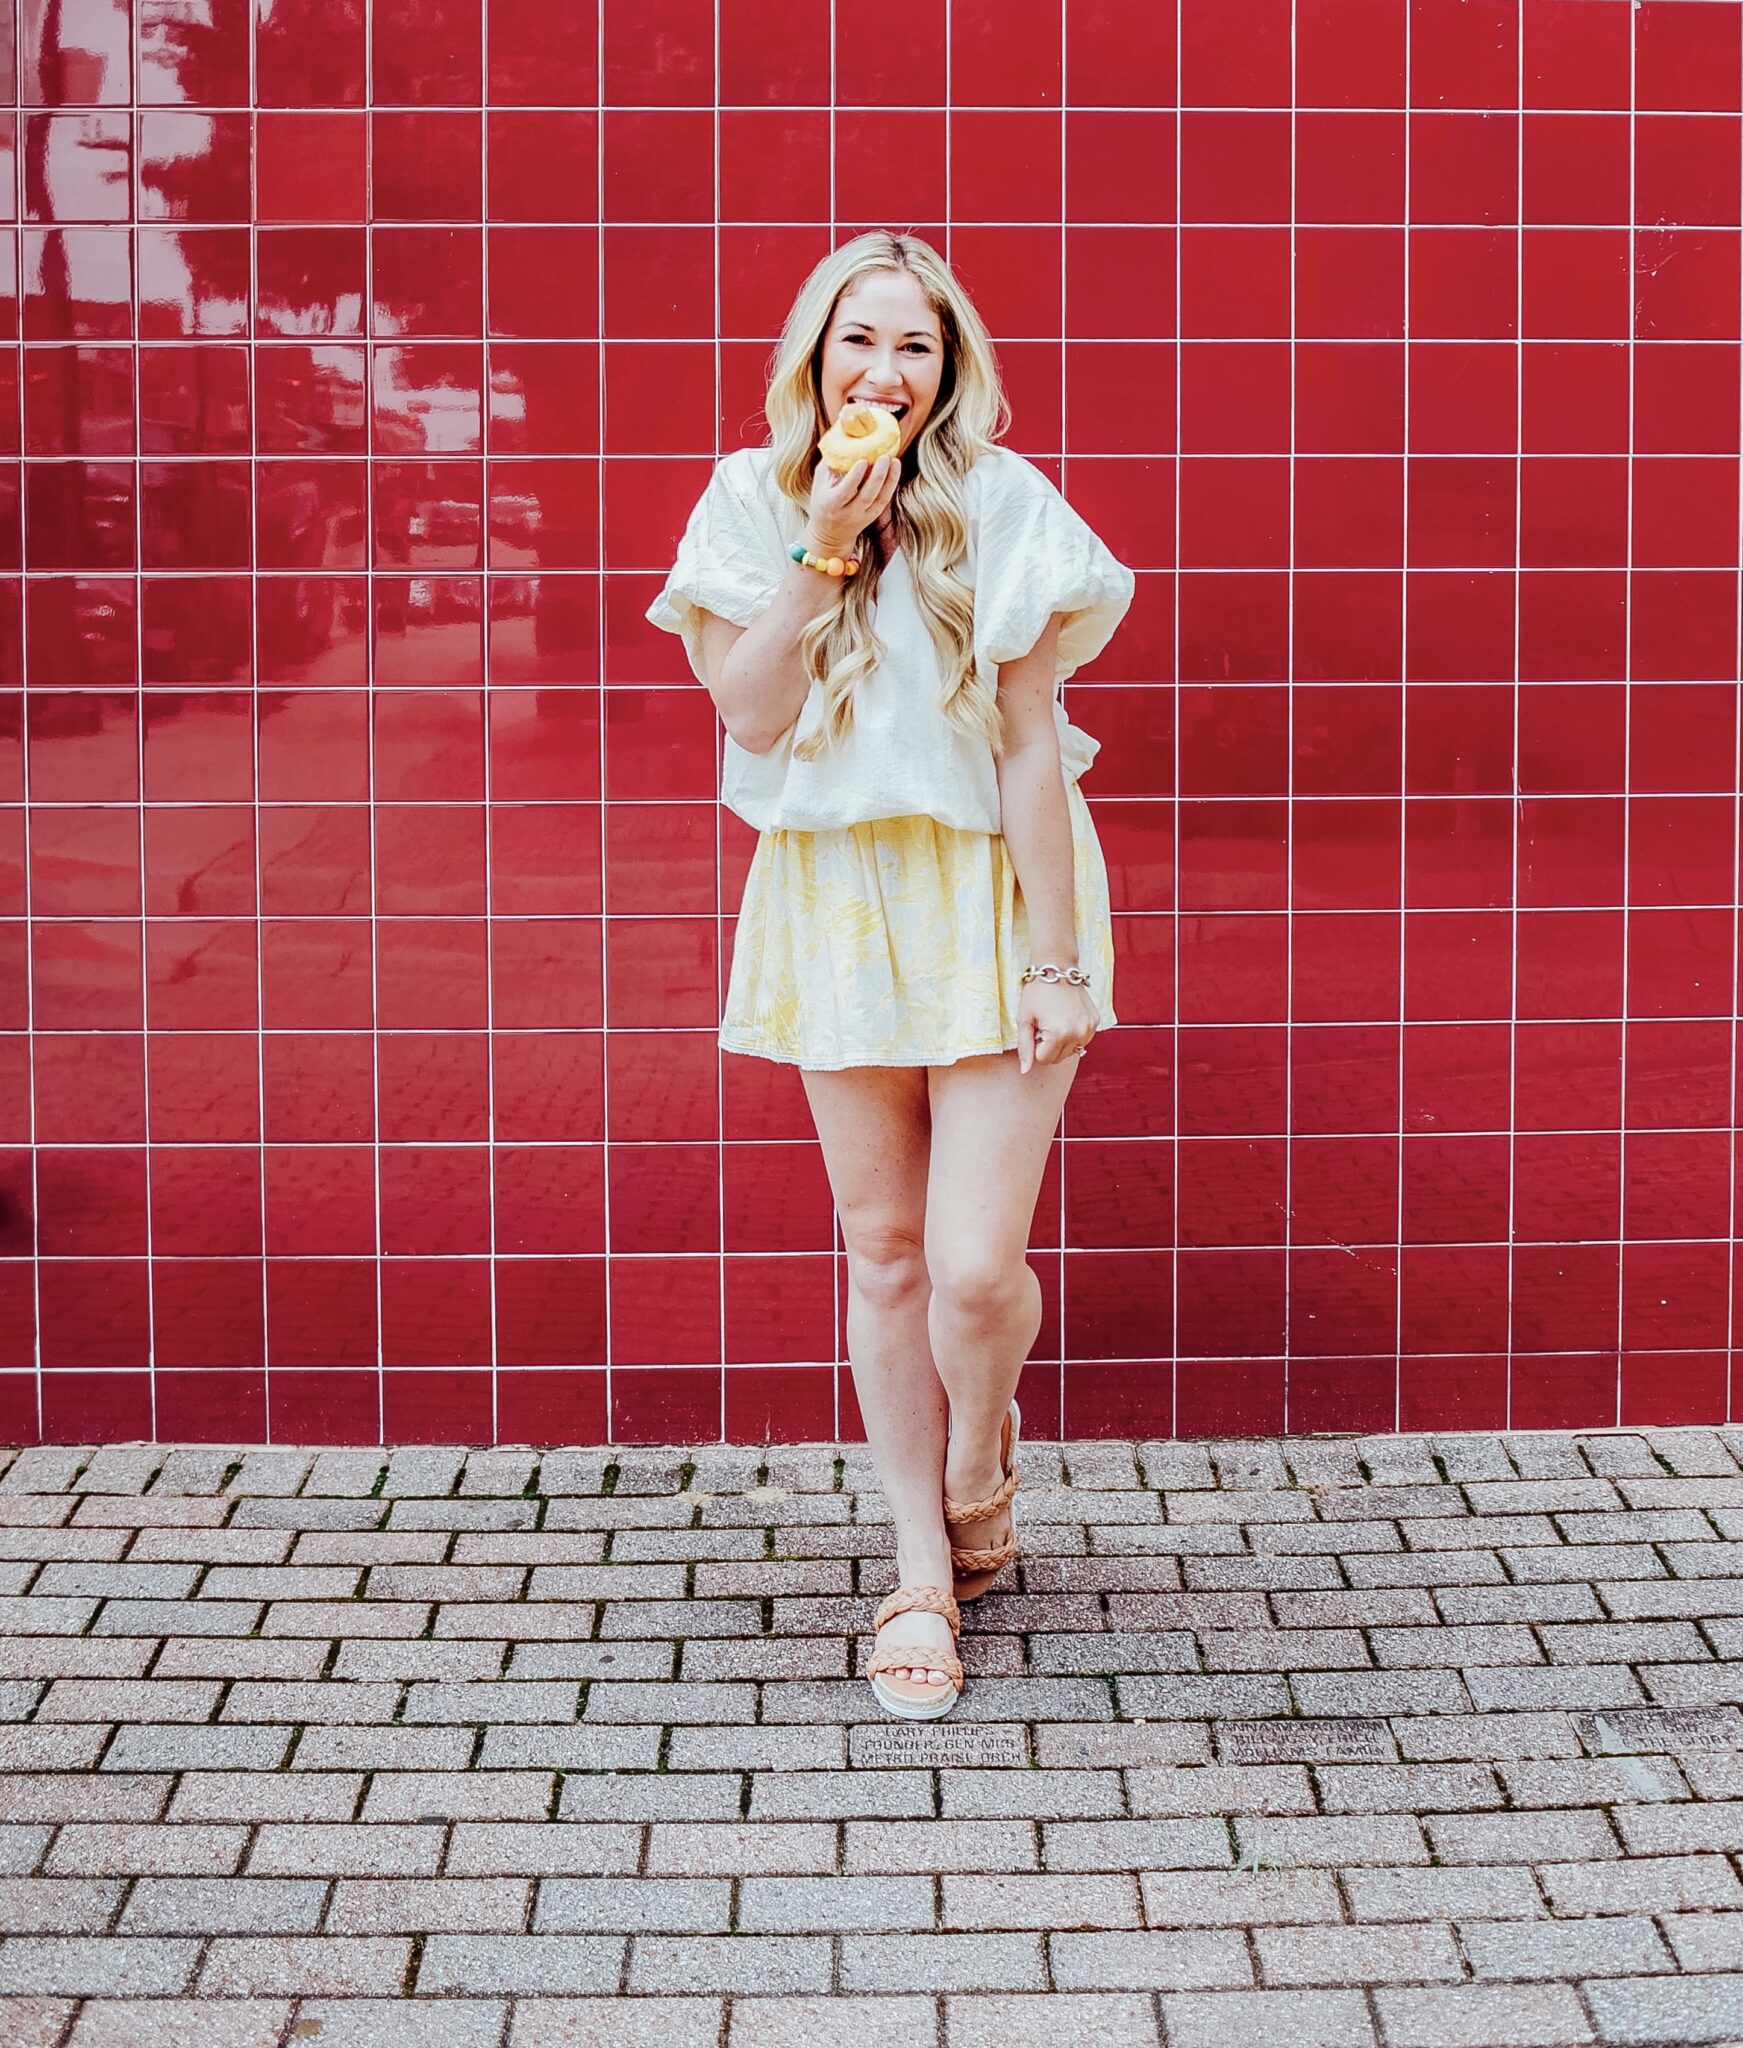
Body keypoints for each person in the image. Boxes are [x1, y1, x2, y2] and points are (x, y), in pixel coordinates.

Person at [647, 230, 1134, 1719]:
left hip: (991, 893)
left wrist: (1055, 961)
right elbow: (748, 711)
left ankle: (979, 1463)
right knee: (887, 1252)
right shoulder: (748, 497)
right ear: (815, 355)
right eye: (861, 341)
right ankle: (922, 1560)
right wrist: (820, 550)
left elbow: (1030, 740)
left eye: (915, 347)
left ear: (949, 369)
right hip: (836, 895)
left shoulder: (1002, 505)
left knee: (977, 1268)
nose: (886, 371)